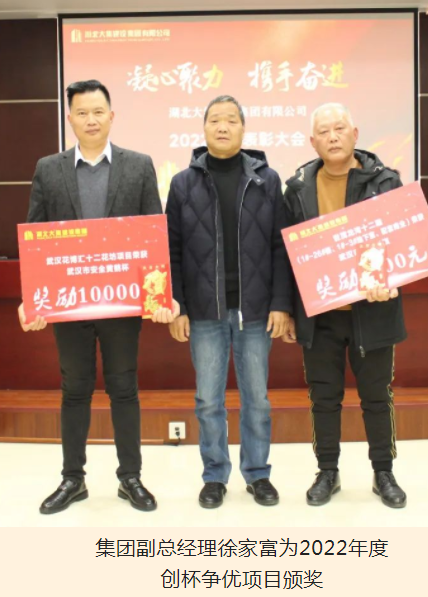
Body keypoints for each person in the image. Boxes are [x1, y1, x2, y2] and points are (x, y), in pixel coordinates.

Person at [18, 79, 168, 514]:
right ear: (70, 119)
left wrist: (159, 296)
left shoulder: (138, 166)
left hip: (121, 302)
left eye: (98, 111)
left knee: (124, 388)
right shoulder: (49, 169)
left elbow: (152, 234)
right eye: (82, 113)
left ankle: (130, 477)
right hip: (70, 303)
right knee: (75, 390)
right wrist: (32, 299)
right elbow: (36, 235)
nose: (90, 120)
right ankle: (73, 479)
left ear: (112, 116)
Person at [162, 95, 292, 509]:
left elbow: (280, 246)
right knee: (207, 400)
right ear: (203, 128)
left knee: (257, 399)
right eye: (215, 120)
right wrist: (178, 306)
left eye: (231, 120)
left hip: (255, 311)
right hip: (204, 311)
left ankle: (257, 474)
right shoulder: (183, 183)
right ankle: (214, 476)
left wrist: (280, 303)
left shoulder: (266, 179)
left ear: (243, 129)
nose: (222, 126)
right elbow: (171, 250)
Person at [282, 103, 408, 508]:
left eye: (340, 128)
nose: (333, 136)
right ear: (312, 141)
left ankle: (383, 472)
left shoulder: (385, 181)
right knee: (324, 398)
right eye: (324, 131)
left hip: (372, 311)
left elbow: (402, 241)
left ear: (355, 134)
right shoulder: (297, 188)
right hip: (320, 316)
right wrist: (287, 309)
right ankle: (327, 471)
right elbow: (285, 253)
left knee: (376, 396)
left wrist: (391, 279)